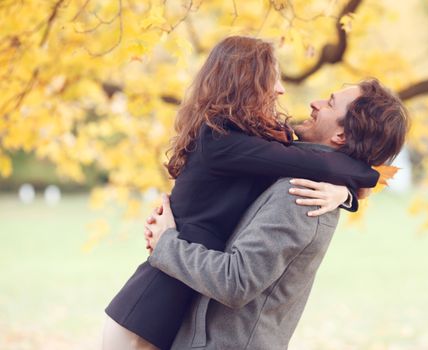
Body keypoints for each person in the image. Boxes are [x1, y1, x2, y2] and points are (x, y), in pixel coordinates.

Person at [103, 36, 379, 350]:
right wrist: (363, 177)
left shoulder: (253, 141)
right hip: (146, 315)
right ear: (247, 83)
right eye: (272, 78)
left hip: (171, 310)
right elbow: (313, 160)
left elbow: (315, 160)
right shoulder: (223, 141)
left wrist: (346, 195)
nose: (280, 90)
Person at [144, 78, 410, 349]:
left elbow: (235, 282)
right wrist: (349, 193)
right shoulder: (304, 179)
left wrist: (166, 242)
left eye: (329, 103)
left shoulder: (300, 196)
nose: (314, 103)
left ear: (341, 137)